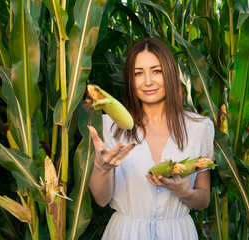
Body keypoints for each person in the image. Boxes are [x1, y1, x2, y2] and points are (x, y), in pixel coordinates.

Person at [88, 37, 214, 240]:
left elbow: (204, 200)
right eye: (138, 73)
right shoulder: (109, 127)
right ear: (130, 79)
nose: (147, 81)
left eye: (156, 71)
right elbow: (102, 200)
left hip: (178, 234)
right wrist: (103, 168)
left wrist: (184, 192)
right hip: (125, 234)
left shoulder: (200, 127)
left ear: (170, 74)